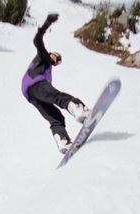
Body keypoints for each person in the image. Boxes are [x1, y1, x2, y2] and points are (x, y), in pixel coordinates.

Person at [21, 13, 91, 154]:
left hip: (31, 95)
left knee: (55, 116)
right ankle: (78, 109)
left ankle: (62, 141)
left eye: (59, 61)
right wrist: (47, 23)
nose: (57, 61)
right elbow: (37, 40)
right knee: (58, 96)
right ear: (51, 53)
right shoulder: (43, 56)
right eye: (57, 57)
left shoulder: (48, 70)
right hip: (35, 86)